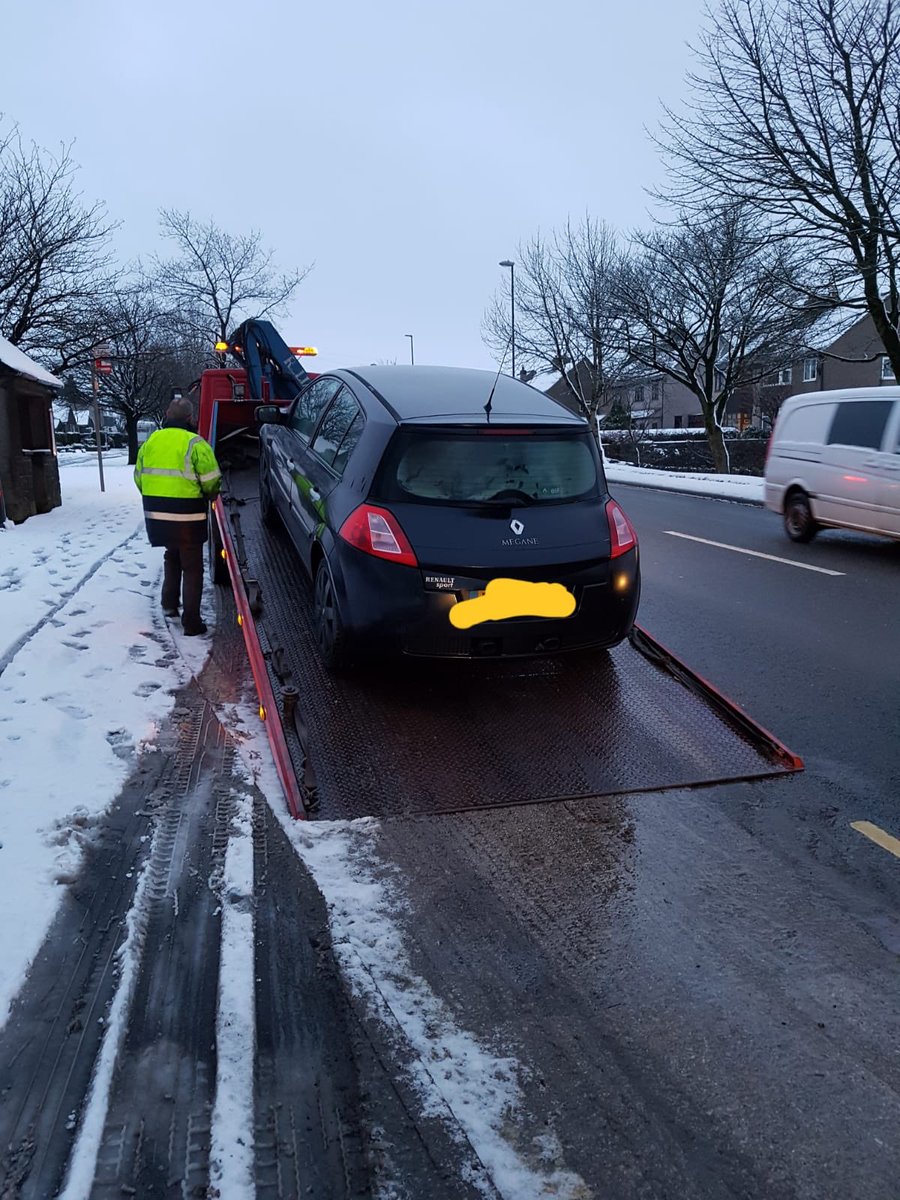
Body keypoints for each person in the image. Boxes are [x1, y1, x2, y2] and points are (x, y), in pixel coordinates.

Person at [134, 397, 222, 636]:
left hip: (158, 516)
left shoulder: (151, 442)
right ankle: (191, 622)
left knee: (171, 555)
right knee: (192, 566)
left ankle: (169, 604)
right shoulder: (195, 443)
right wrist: (211, 495)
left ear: (166, 414)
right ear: (189, 419)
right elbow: (211, 480)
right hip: (188, 517)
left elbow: (139, 478)